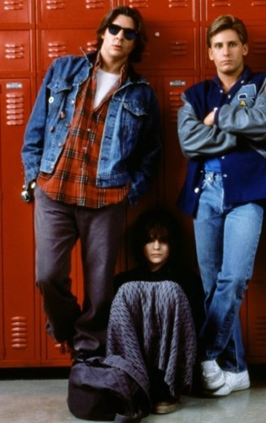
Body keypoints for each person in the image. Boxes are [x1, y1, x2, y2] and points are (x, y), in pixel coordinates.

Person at [21, 6, 161, 361]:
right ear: (102, 32)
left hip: (106, 199)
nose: (120, 37)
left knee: (99, 290)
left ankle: (89, 353)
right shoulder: (64, 69)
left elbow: (151, 153)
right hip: (55, 190)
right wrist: (34, 178)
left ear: (135, 43)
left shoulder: (141, 93)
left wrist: (131, 192)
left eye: (129, 33)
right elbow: (36, 128)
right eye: (114, 29)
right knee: (48, 275)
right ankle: (68, 331)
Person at [177, 14, 266, 396]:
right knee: (211, 285)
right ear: (210, 52)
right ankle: (235, 368)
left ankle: (204, 355)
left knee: (234, 278)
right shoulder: (194, 95)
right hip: (205, 191)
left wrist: (220, 117)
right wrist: (241, 136)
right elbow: (189, 142)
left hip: (248, 193)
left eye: (232, 44)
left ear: (244, 48)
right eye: (218, 46)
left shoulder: (265, 84)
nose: (226, 52)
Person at [108, 208, 204, 415]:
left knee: (170, 290)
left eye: (163, 241)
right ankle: (132, 381)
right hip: (135, 355)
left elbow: (194, 329)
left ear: (173, 244)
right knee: (126, 291)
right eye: (150, 240)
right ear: (140, 244)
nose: (157, 247)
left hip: (172, 358)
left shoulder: (188, 281)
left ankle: (165, 385)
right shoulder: (123, 282)